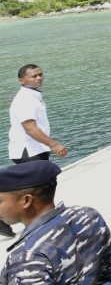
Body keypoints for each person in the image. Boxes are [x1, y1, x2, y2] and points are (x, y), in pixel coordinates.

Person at [6, 64, 69, 238]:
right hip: (28, 150)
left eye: (40, 74)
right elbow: (30, 129)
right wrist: (54, 145)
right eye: (34, 76)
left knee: (37, 189)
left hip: (35, 148)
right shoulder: (25, 100)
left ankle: (44, 221)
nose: (39, 78)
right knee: (38, 189)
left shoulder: (33, 96)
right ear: (22, 80)